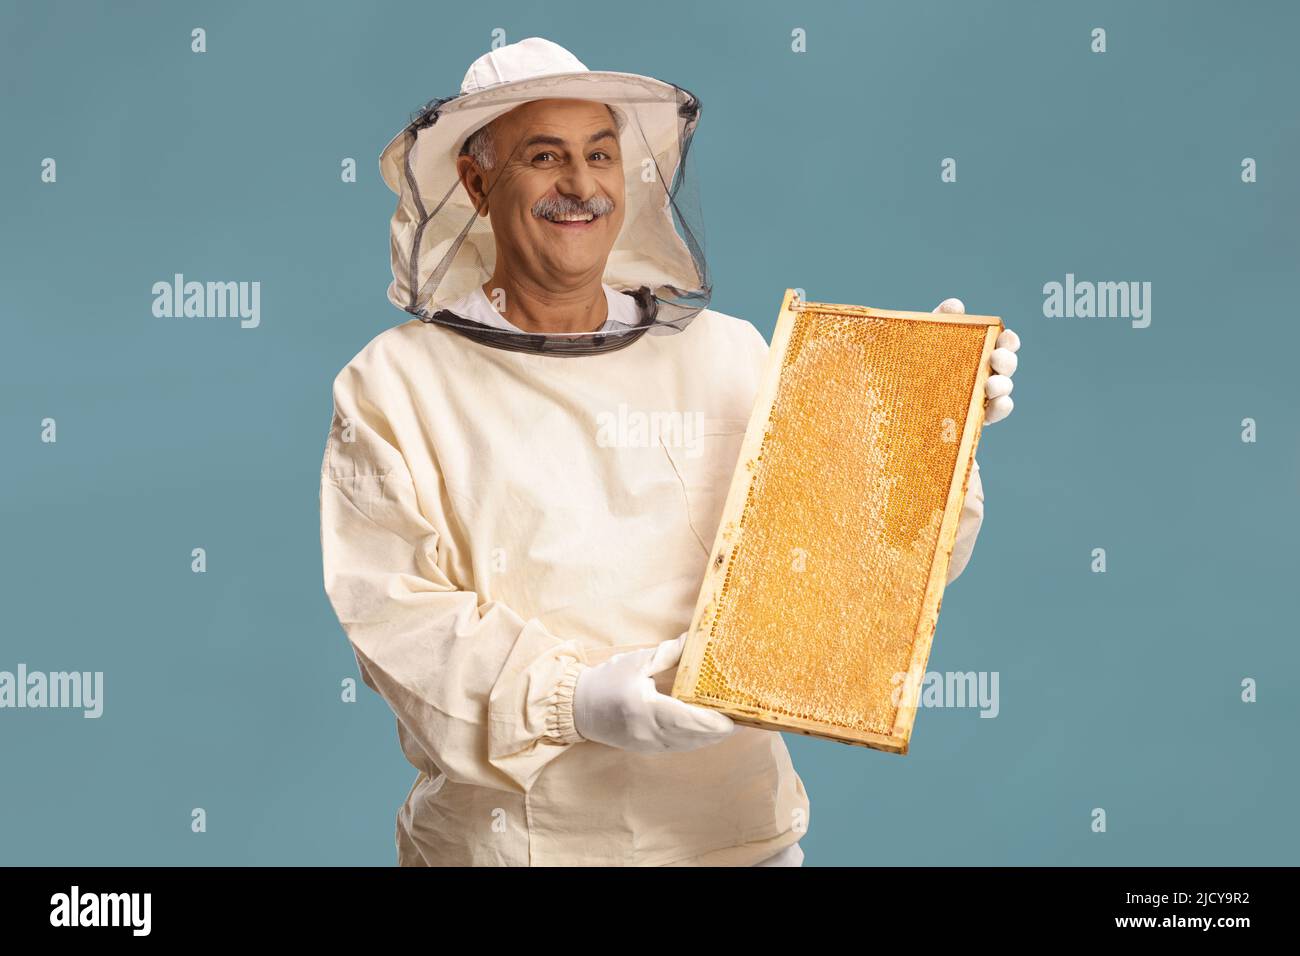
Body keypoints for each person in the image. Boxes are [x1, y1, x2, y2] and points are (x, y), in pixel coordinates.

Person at [319, 36, 1020, 867]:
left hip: (738, 838)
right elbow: (395, 620)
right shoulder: (395, 385)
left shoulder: (726, 353)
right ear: (476, 181)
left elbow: (843, 568)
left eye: (601, 155)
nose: (581, 186)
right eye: (545, 157)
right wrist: (574, 701)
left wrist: (927, 435)